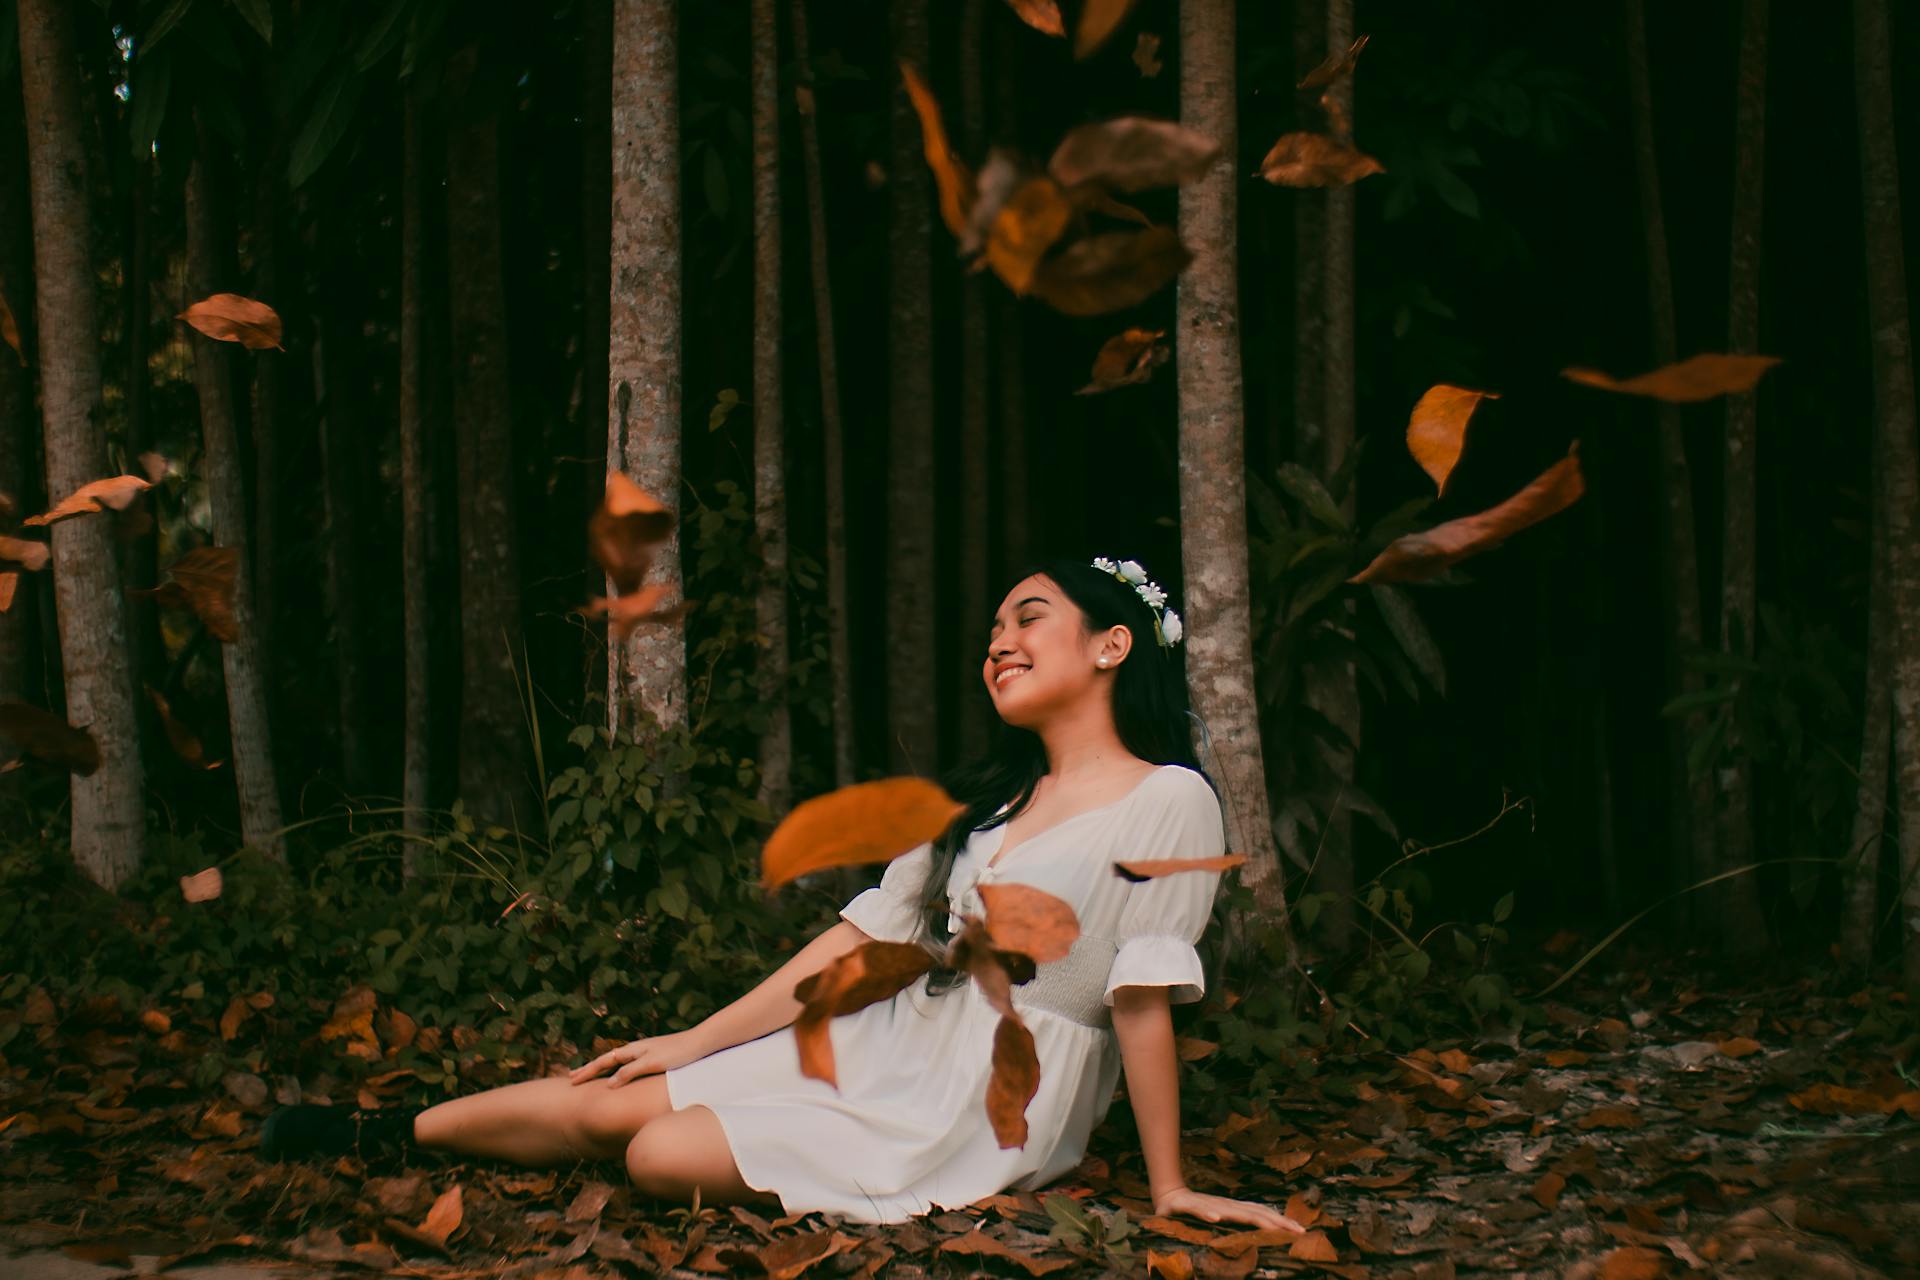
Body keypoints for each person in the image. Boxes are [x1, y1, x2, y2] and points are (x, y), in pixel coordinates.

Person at [261, 555, 1300, 1232]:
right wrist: (693, 1039)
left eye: (1029, 618)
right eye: (990, 629)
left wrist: (1168, 1183)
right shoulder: (986, 808)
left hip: (984, 1099)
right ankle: (378, 1131)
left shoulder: (1170, 800)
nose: (997, 642)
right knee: (625, 1098)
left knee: (658, 1150)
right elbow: (855, 944)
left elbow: (1142, 994)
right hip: (892, 1035)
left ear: (1113, 644)